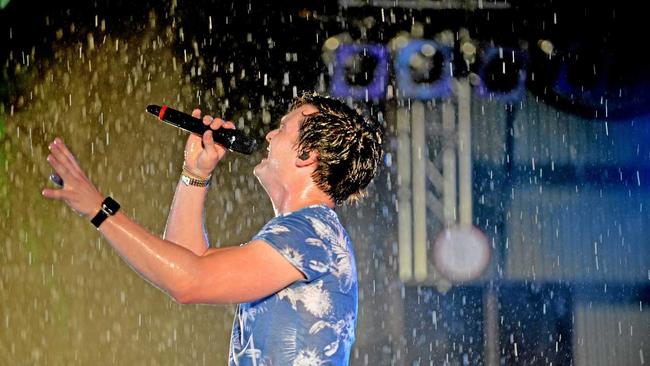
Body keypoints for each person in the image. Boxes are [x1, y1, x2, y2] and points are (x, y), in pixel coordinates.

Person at [42, 92, 384, 365]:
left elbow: (187, 282)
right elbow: (188, 259)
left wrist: (99, 209)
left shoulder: (311, 234)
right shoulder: (308, 234)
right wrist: (196, 172)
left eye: (282, 128)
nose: (269, 134)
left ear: (307, 154)